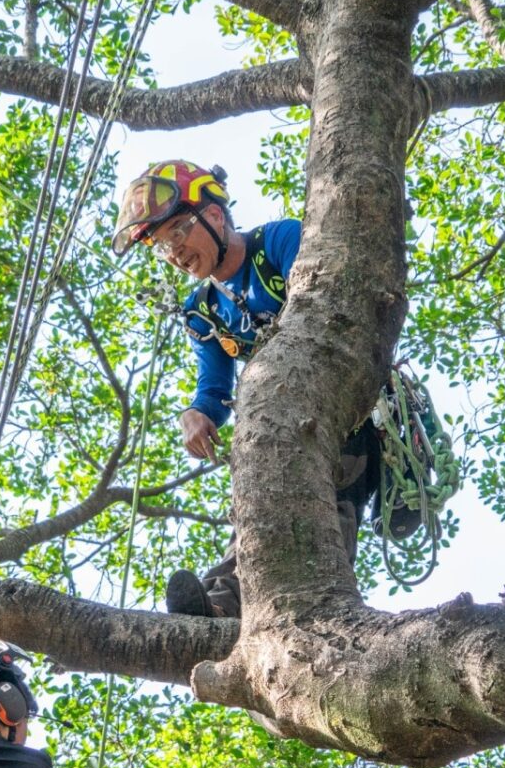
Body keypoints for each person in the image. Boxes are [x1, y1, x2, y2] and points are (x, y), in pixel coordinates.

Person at [110, 159, 382, 618]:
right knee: (257, 517)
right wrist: (197, 414)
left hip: (346, 417)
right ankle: (219, 607)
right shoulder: (202, 312)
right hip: (279, 429)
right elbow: (213, 388)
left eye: (177, 233)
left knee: (325, 509)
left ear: (214, 217)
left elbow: (326, 306)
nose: (174, 253)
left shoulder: (277, 243)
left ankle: (319, 608)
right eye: (161, 246)